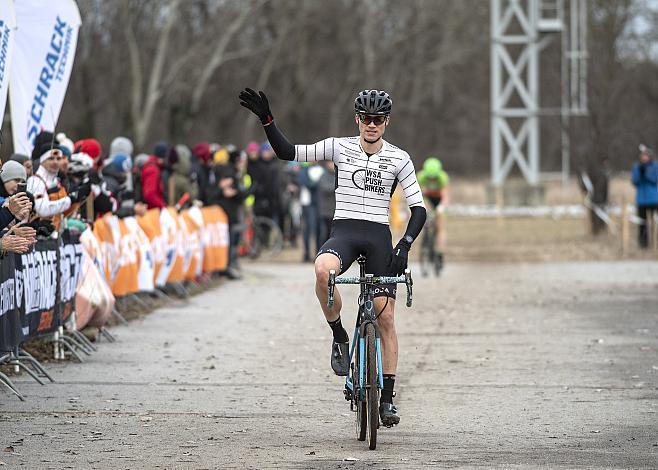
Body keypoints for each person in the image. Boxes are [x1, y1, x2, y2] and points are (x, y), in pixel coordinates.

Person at [240, 88, 426, 426]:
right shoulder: (339, 147)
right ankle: (339, 335)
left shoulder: (399, 158)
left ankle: (386, 399)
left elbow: (419, 209)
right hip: (345, 232)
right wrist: (267, 121)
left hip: (379, 237)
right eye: (366, 118)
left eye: (378, 119)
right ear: (357, 119)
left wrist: (405, 244)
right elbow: (287, 152)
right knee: (323, 270)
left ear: (386, 122)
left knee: (385, 318)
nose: (371, 124)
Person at [416, 157, 450, 269]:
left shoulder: (443, 178)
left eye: (434, 178)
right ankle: (426, 238)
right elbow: (417, 195)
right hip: (427, 199)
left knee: (440, 227)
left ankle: (440, 254)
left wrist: (441, 208)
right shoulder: (420, 177)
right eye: (429, 178)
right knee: (424, 212)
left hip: (439, 200)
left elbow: (445, 196)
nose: (431, 181)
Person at [631, 144, 658, 248]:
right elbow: (634, 181)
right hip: (641, 200)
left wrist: (646, 173)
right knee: (642, 224)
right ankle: (643, 245)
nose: (644, 157)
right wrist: (640, 173)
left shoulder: (655, 166)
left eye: (646, 155)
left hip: (654, 199)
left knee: (655, 223)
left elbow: (654, 179)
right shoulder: (636, 167)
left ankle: (655, 244)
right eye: (642, 155)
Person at [317, 160, 336, 246]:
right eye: (330, 163)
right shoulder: (323, 176)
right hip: (326, 212)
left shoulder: (339, 175)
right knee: (325, 234)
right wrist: (338, 185)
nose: (332, 165)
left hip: (336, 211)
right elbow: (326, 188)